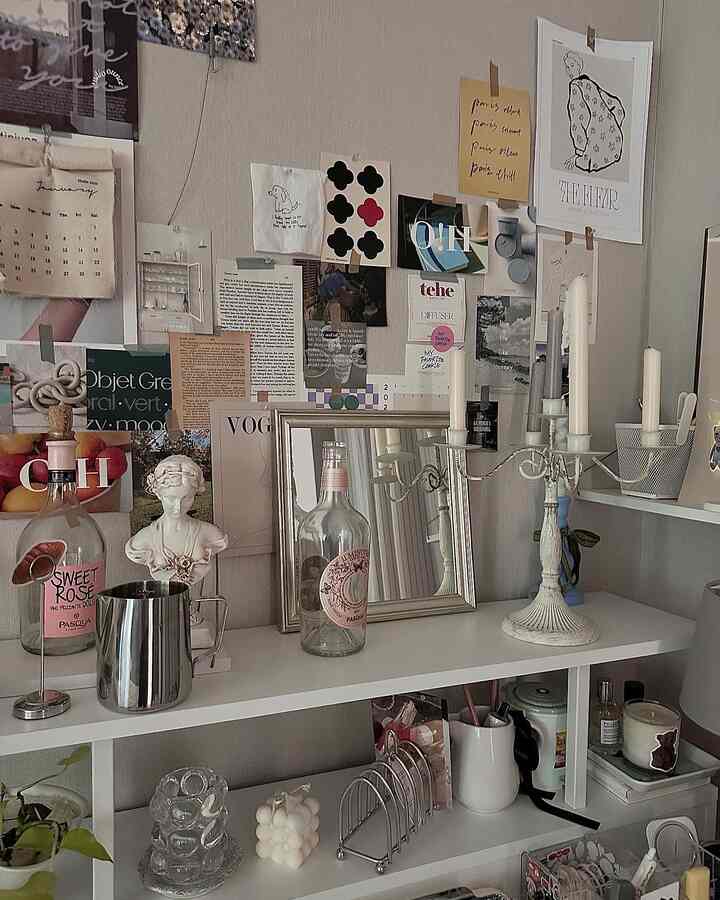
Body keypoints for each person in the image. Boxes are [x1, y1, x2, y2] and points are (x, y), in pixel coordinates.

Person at [126, 455, 228, 585]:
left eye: (187, 498)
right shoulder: (142, 541)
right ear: (158, 494)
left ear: (195, 494)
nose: (178, 507)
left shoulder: (212, 534)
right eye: (171, 498)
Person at [564, 50, 625, 174]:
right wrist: (612, 128)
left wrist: (579, 153)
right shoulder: (591, 85)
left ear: (579, 66)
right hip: (615, 146)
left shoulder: (575, 87)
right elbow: (617, 107)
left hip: (593, 155)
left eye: (571, 65)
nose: (569, 70)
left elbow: (577, 123)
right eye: (566, 67)